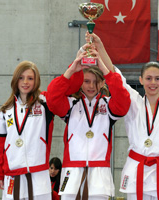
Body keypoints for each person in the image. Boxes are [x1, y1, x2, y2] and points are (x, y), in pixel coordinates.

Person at [84, 33, 159, 200]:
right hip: (136, 171)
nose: (152, 83)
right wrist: (101, 47)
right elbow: (115, 75)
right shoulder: (134, 102)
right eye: (148, 78)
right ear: (141, 80)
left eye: (157, 79)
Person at [46, 47, 131, 200]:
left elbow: (124, 103)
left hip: (99, 174)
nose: (91, 86)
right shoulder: (71, 105)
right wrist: (72, 69)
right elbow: (52, 99)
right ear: (80, 82)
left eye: (96, 82)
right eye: (86, 81)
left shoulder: (109, 106)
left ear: (102, 82)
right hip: (71, 173)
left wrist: (104, 68)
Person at [0, 61, 55, 200]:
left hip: (39, 174)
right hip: (12, 174)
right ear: (15, 80)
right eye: (21, 77)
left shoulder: (45, 103)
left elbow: (62, 87)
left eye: (30, 78)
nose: (25, 82)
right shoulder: (6, 110)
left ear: (36, 80)